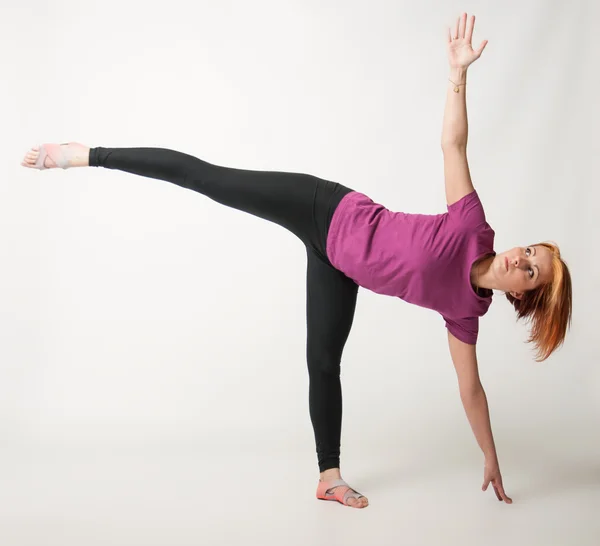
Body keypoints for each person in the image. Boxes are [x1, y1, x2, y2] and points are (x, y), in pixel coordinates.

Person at [21, 13, 572, 509]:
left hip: (341, 268)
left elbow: (471, 392)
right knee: (209, 179)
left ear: (520, 294)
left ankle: (327, 476)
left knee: (324, 362)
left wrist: (492, 458)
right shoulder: (472, 227)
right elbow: (454, 147)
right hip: (325, 208)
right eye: (529, 251)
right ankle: (86, 154)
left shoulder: (463, 312)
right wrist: (458, 76)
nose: (520, 259)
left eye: (530, 270)